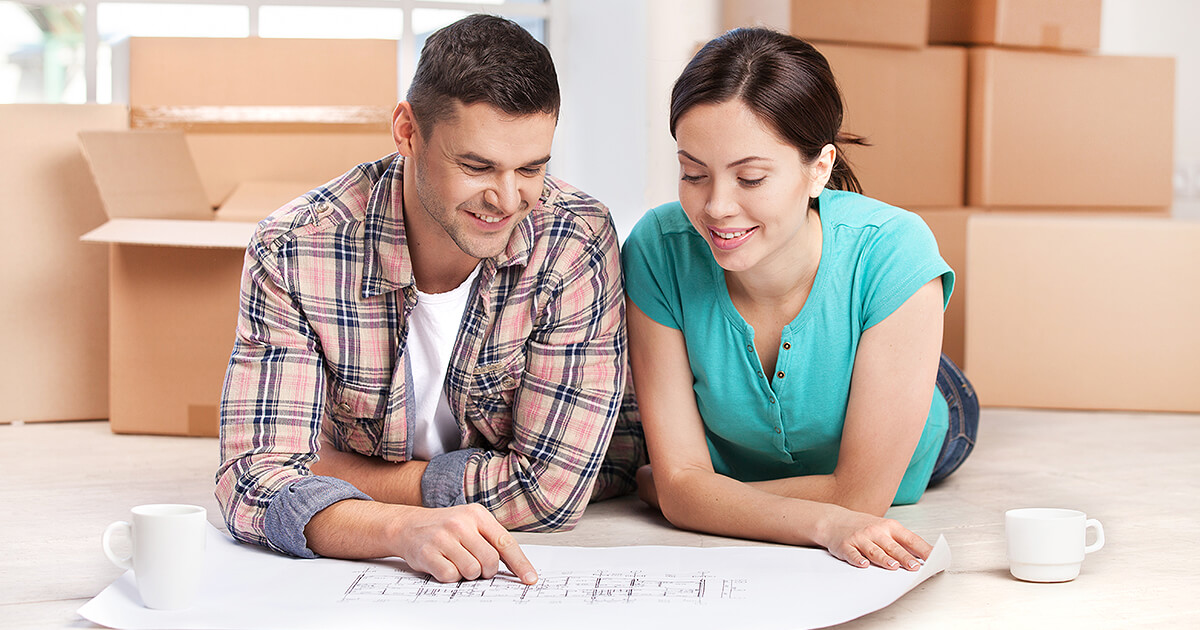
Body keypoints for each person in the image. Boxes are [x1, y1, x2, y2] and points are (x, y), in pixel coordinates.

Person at [215, 14, 642, 585]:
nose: (507, 198)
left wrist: (337, 476)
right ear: (407, 132)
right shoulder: (296, 249)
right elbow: (251, 480)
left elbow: (550, 492)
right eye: (476, 166)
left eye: (532, 169)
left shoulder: (573, 239)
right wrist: (395, 528)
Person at [623, 28, 978, 571]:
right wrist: (821, 519)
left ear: (819, 168)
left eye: (751, 177)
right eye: (693, 173)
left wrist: (702, 494)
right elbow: (679, 490)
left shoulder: (895, 250)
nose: (716, 206)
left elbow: (862, 499)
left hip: (926, 414)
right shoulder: (657, 249)